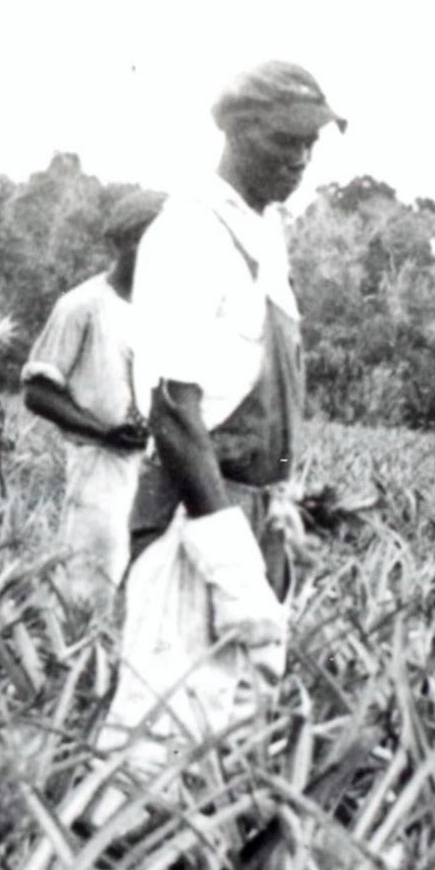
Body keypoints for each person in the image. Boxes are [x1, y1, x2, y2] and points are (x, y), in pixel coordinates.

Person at [97, 62, 340, 758]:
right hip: (194, 518)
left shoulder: (264, 236)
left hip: (253, 511)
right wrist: (233, 563)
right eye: (282, 141)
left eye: (309, 145)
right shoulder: (188, 232)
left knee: (235, 739)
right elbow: (173, 408)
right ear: (234, 131)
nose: (298, 160)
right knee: (161, 740)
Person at [22, 189, 166, 618]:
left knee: (141, 584)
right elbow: (38, 390)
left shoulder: (164, 311)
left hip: (152, 465)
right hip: (98, 462)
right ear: (125, 242)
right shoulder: (83, 305)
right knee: (87, 581)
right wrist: (102, 430)